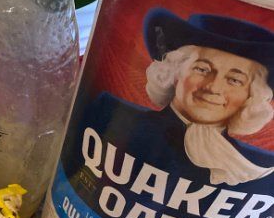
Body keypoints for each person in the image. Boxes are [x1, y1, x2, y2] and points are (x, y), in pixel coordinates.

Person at [70, 10, 274, 190]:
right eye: (202, 69)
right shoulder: (107, 113)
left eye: (235, 80)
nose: (213, 87)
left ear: (251, 96)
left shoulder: (260, 168)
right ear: (175, 72)